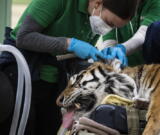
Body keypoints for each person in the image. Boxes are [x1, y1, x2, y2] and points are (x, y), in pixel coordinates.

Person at [0, 0, 139, 135]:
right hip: (22, 74)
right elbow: (23, 37)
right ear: (97, 3)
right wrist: (68, 44)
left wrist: (100, 60)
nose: (108, 29)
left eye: (114, 27)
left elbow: (75, 57)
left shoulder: (93, 15)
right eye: (109, 23)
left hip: (55, 83)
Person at [101, 0, 160, 67]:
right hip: (123, 68)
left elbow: (144, 34)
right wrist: (109, 51)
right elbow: (109, 29)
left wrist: (122, 49)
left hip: (151, 69)